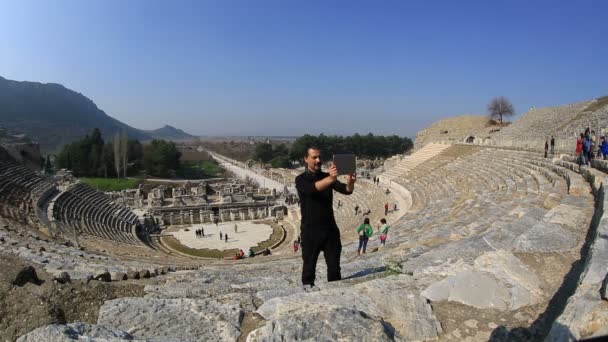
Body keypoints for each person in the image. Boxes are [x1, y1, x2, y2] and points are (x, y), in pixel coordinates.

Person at [295, 146, 356, 290]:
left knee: (335, 268)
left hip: (330, 230)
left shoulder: (326, 177)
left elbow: (346, 191)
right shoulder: (301, 179)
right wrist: (331, 178)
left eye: (319, 157)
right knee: (309, 268)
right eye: (314, 157)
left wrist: (350, 182)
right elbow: (313, 189)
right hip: (310, 231)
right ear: (305, 159)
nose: (318, 160)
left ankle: (335, 294)